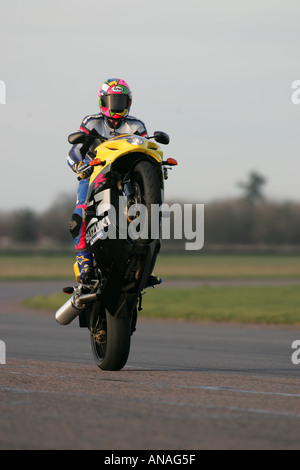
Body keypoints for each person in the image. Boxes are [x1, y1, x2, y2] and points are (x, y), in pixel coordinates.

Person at [68, 78, 148, 282]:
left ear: (128, 103)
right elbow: (74, 150)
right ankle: (83, 259)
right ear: (103, 102)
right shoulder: (91, 122)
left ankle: (144, 261)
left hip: (126, 177)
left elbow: (145, 152)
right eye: (113, 101)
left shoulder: (136, 125)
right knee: (81, 210)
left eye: (120, 101)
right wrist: (79, 166)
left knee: (152, 211)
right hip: (94, 174)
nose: (116, 106)